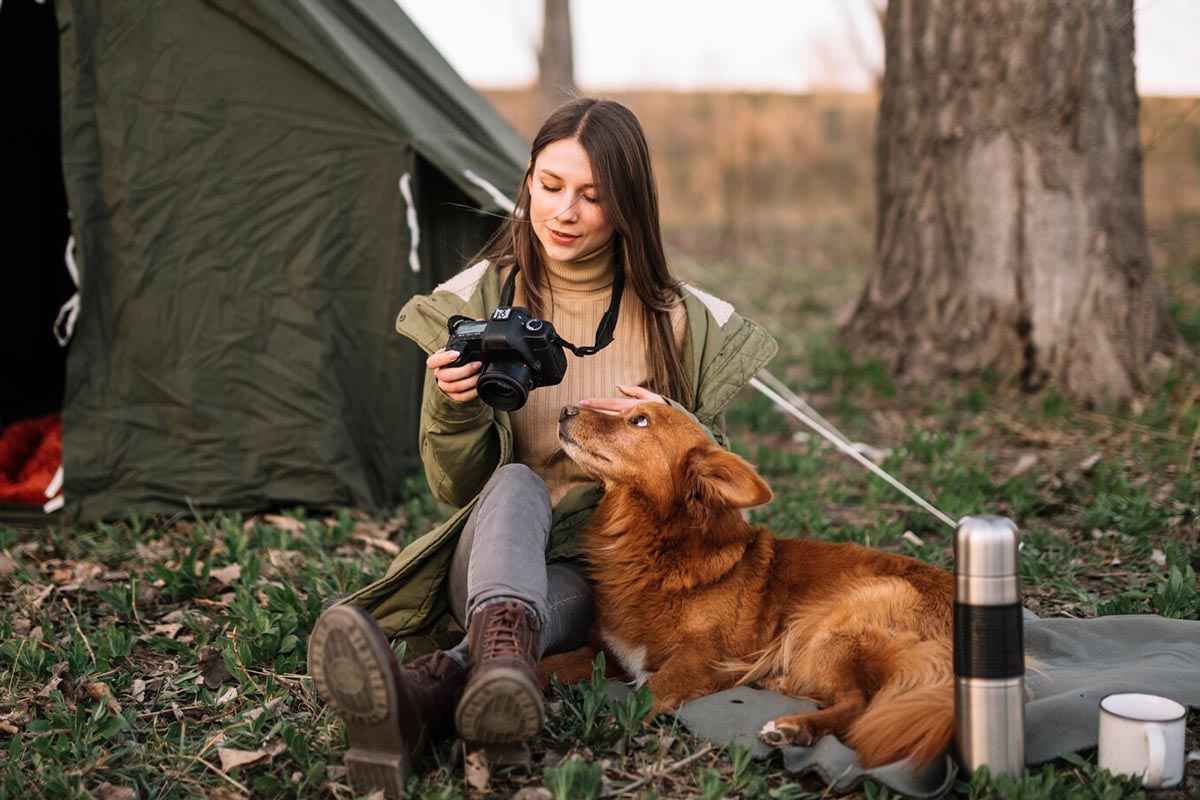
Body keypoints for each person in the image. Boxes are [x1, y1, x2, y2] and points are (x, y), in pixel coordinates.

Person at [307, 97, 777, 797]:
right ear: (526, 179)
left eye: (593, 196)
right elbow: (455, 489)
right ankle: (488, 675)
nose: (564, 212)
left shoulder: (680, 320)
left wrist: (674, 418)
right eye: (550, 185)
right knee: (516, 485)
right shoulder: (477, 297)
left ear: (629, 206)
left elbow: (703, 497)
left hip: (607, 570)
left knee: (566, 593)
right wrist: (453, 404)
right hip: (498, 541)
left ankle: (428, 695)